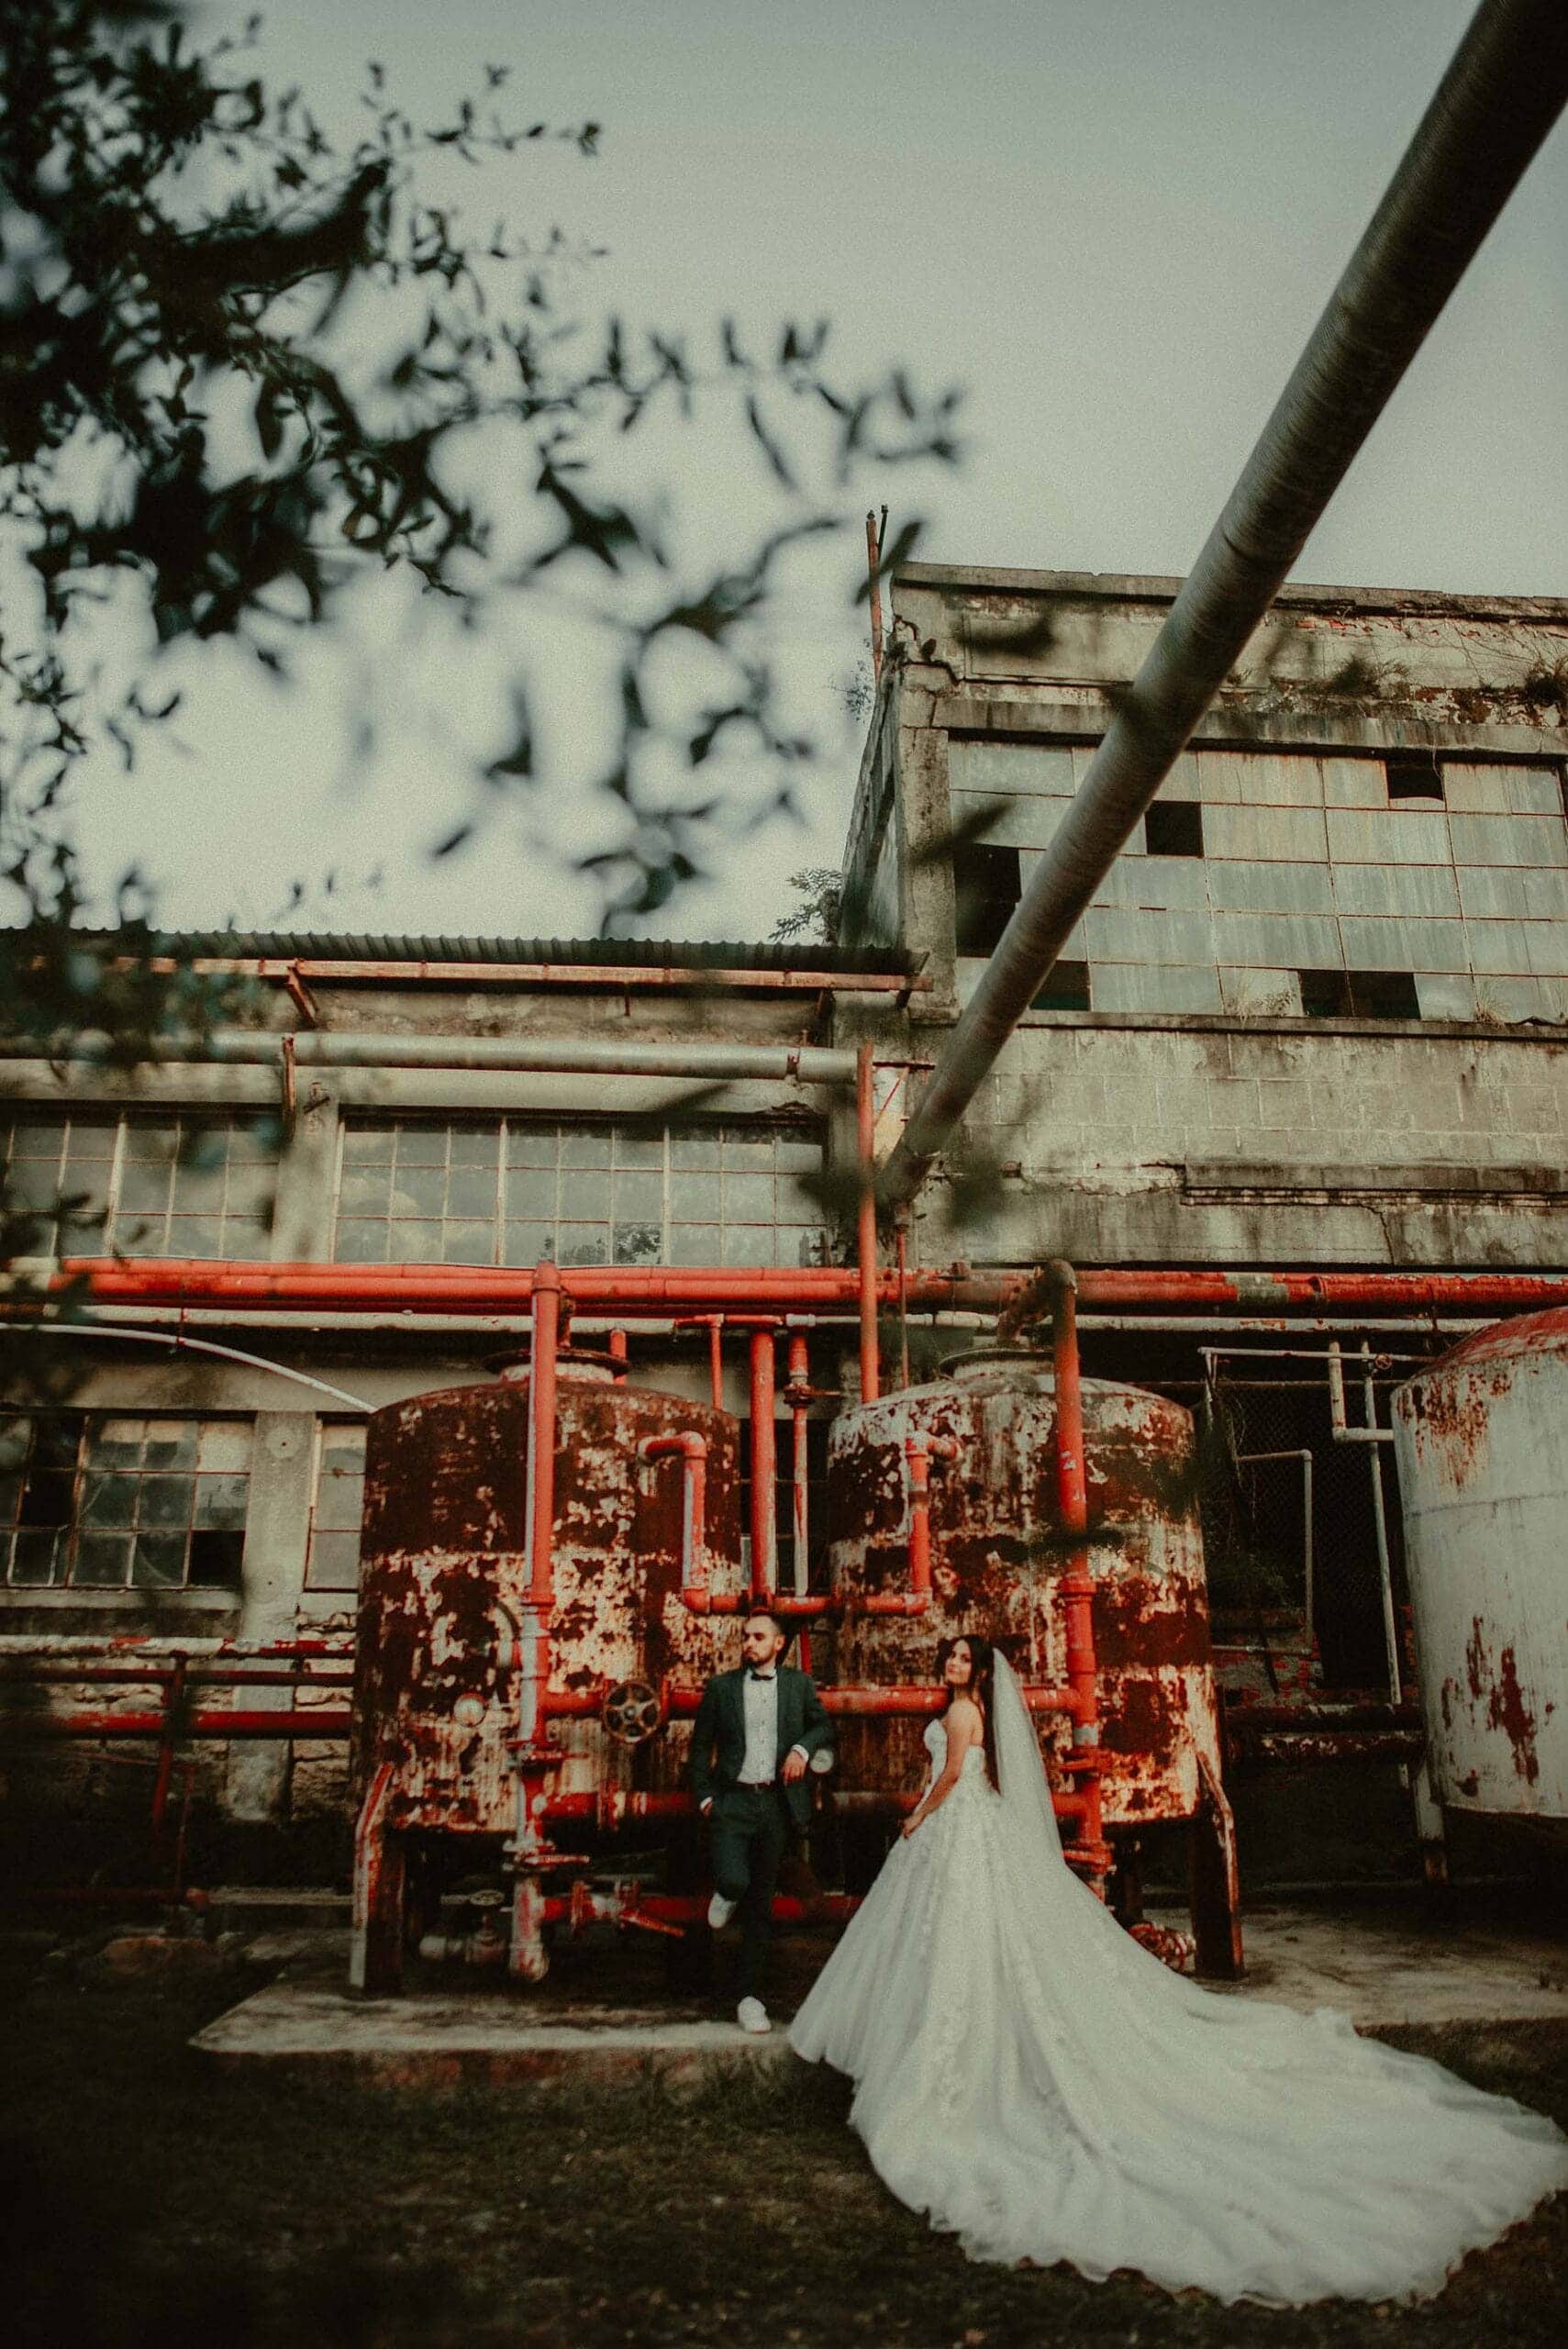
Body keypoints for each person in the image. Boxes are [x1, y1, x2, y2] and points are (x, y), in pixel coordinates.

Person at [790, 1631, 1568, 2305]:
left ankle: (950, 2052)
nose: (957, 1665)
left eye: (966, 1657)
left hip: (956, 1824)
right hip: (968, 1829)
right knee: (966, 1938)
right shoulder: (966, 1707)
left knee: (963, 1935)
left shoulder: (960, 1715)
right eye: (952, 1657)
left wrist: (917, 1815)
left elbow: (956, 1775)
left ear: (976, 1670)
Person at [688, 1607, 832, 2036]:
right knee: (734, 1880)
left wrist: (802, 1751)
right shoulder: (722, 1688)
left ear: (778, 1644)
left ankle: (749, 1998)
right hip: (732, 1801)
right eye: (745, 1637)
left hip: (775, 1806)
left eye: (757, 1637)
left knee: (761, 1908)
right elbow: (699, 1749)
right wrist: (706, 1799)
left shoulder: (798, 1685)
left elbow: (823, 1726)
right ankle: (727, 1892)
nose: (748, 1644)